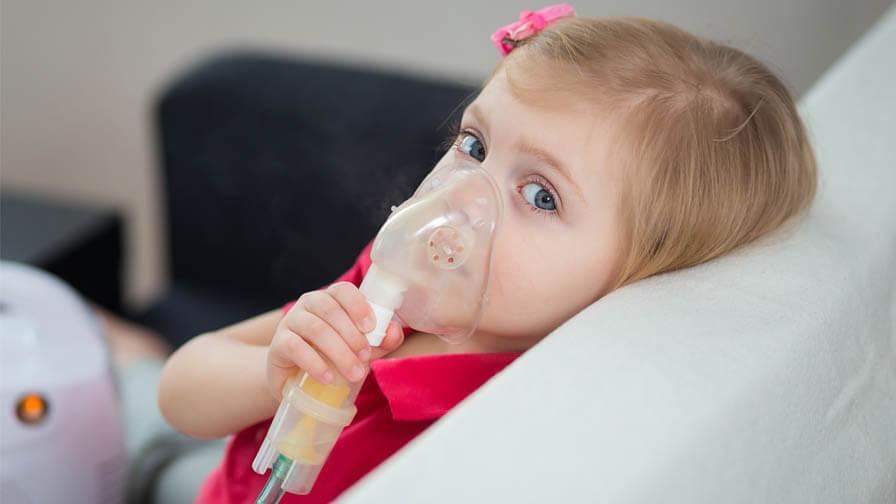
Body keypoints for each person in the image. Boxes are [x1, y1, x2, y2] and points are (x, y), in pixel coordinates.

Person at [157, 5, 818, 503]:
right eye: (474, 145)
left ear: (636, 279)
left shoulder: (519, 424)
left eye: (540, 194)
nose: (462, 196)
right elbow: (183, 391)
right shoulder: (397, 282)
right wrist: (270, 376)